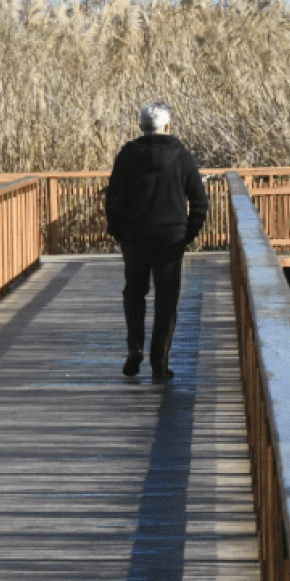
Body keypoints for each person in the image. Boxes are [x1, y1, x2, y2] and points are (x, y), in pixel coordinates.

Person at [105, 101, 209, 381]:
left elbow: (113, 199)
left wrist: (118, 232)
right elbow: (199, 201)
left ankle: (135, 348)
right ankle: (159, 364)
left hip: (135, 238)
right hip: (171, 240)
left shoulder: (127, 156)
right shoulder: (182, 157)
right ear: (167, 126)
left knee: (134, 294)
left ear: (141, 127)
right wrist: (188, 234)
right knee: (167, 301)